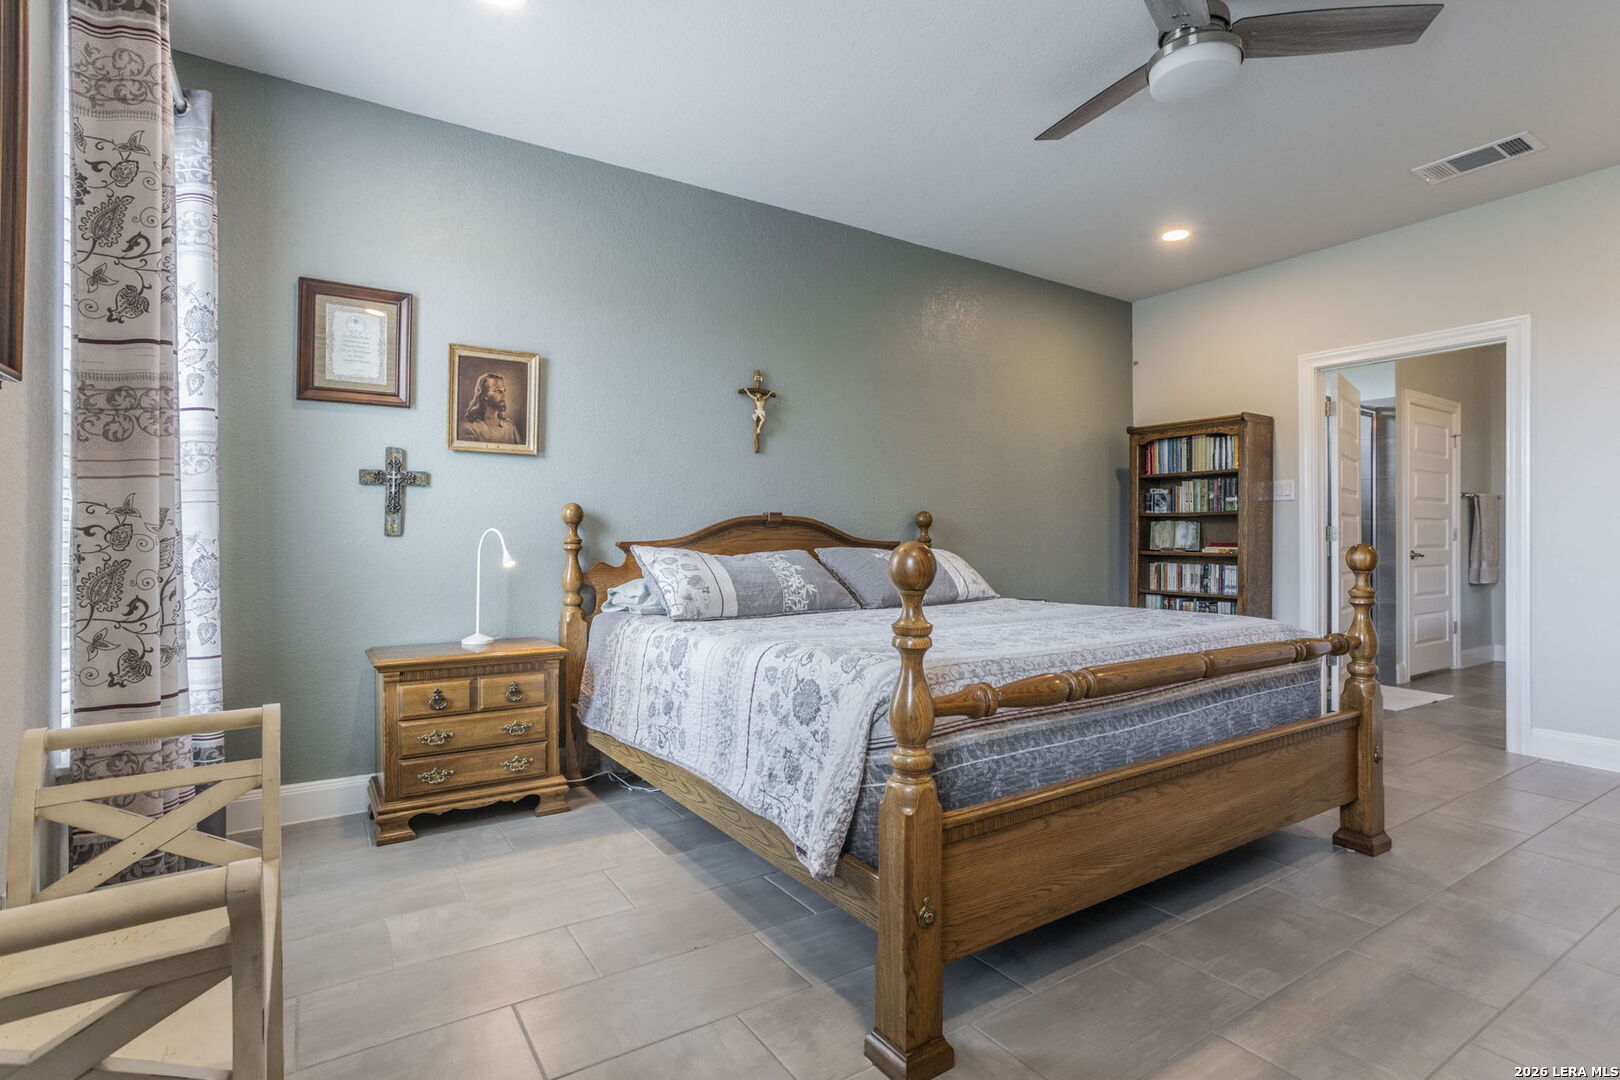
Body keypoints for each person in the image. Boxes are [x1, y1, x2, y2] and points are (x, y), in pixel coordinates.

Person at [459, 372, 522, 445]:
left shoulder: (509, 427)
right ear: (484, 395)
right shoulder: (470, 427)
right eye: (497, 390)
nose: (503, 396)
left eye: (503, 391)